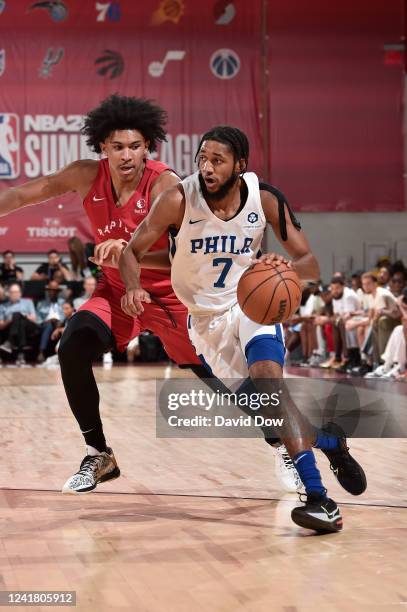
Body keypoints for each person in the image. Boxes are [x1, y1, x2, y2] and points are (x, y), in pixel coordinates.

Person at [119, 125, 366, 533]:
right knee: (271, 415)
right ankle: (329, 442)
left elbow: (309, 263)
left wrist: (281, 267)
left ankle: (320, 500)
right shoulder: (178, 199)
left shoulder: (264, 199)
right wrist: (132, 286)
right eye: (202, 158)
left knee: (271, 386)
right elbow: (133, 252)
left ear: (240, 165)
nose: (207, 167)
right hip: (205, 322)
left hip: (250, 303)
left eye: (217, 160)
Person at [0, 94, 229, 495]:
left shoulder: (165, 184)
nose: (127, 155)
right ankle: (98, 452)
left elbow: (187, 256)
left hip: (171, 297)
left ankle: (289, 444)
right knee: (72, 345)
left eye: (135, 146)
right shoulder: (87, 175)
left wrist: (127, 251)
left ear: (148, 148)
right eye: (118, 147)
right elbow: (22, 195)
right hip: (117, 292)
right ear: (102, 147)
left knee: (230, 389)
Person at [0, 283, 39, 364]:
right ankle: (20, 354)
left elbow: (34, 319)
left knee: (18, 315)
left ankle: (10, 342)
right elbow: (1, 326)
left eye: (16, 292)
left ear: (20, 293)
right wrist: (11, 320)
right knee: (19, 320)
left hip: (29, 326)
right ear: (9, 294)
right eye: (12, 292)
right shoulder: (3, 306)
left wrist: (23, 315)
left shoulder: (28, 302)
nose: (14, 294)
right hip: (10, 326)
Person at [36, 280, 65, 363]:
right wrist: (47, 321)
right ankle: (41, 352)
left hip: (59, 323)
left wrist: (58, 321)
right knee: (49, 325)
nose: (52, 292)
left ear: (58, 292)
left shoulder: (63, 302)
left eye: (55, 291)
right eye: (50, 290)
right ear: (47, 291)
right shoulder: (41, 303)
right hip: (45, 324)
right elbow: (38, 319)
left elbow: (65, 315)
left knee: (62, 325)